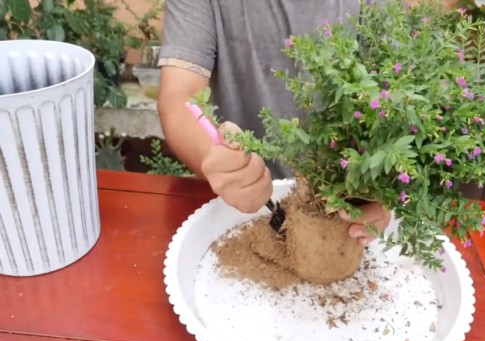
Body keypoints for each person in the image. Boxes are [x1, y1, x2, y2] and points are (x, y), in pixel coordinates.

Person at [157, 0, 391, 245]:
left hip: (345, 213)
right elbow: (180, 98)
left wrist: (385, 190)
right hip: (239, 214)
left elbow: (399, 99)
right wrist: (216, 159)